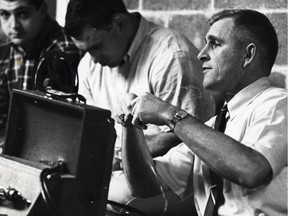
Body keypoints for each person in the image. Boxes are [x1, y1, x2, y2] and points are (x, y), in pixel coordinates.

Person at [111, 9, 287, 216]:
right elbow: (144, 187)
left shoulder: (278, 104)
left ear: (247, 55)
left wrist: (169, 113)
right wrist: (129, 125)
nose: (201, 54)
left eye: (215, 44)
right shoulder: (215, 126)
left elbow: (253, 171)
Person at [64, 0, 216, 163]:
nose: (93, 60)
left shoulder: (171, 56)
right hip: (115, 168)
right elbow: (90, 130)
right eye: (86, 51)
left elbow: (189, 136)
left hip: (166, 174)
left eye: (97, 46)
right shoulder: (88, 66)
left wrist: (119, 157)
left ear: (119, 23)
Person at [0, 0, 82, 152]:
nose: (13, 26)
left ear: (43, 10)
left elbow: (54, 130)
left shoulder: (63, 51)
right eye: (5, 14)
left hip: (49, 152)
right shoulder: (7, 50)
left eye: (22, 14)